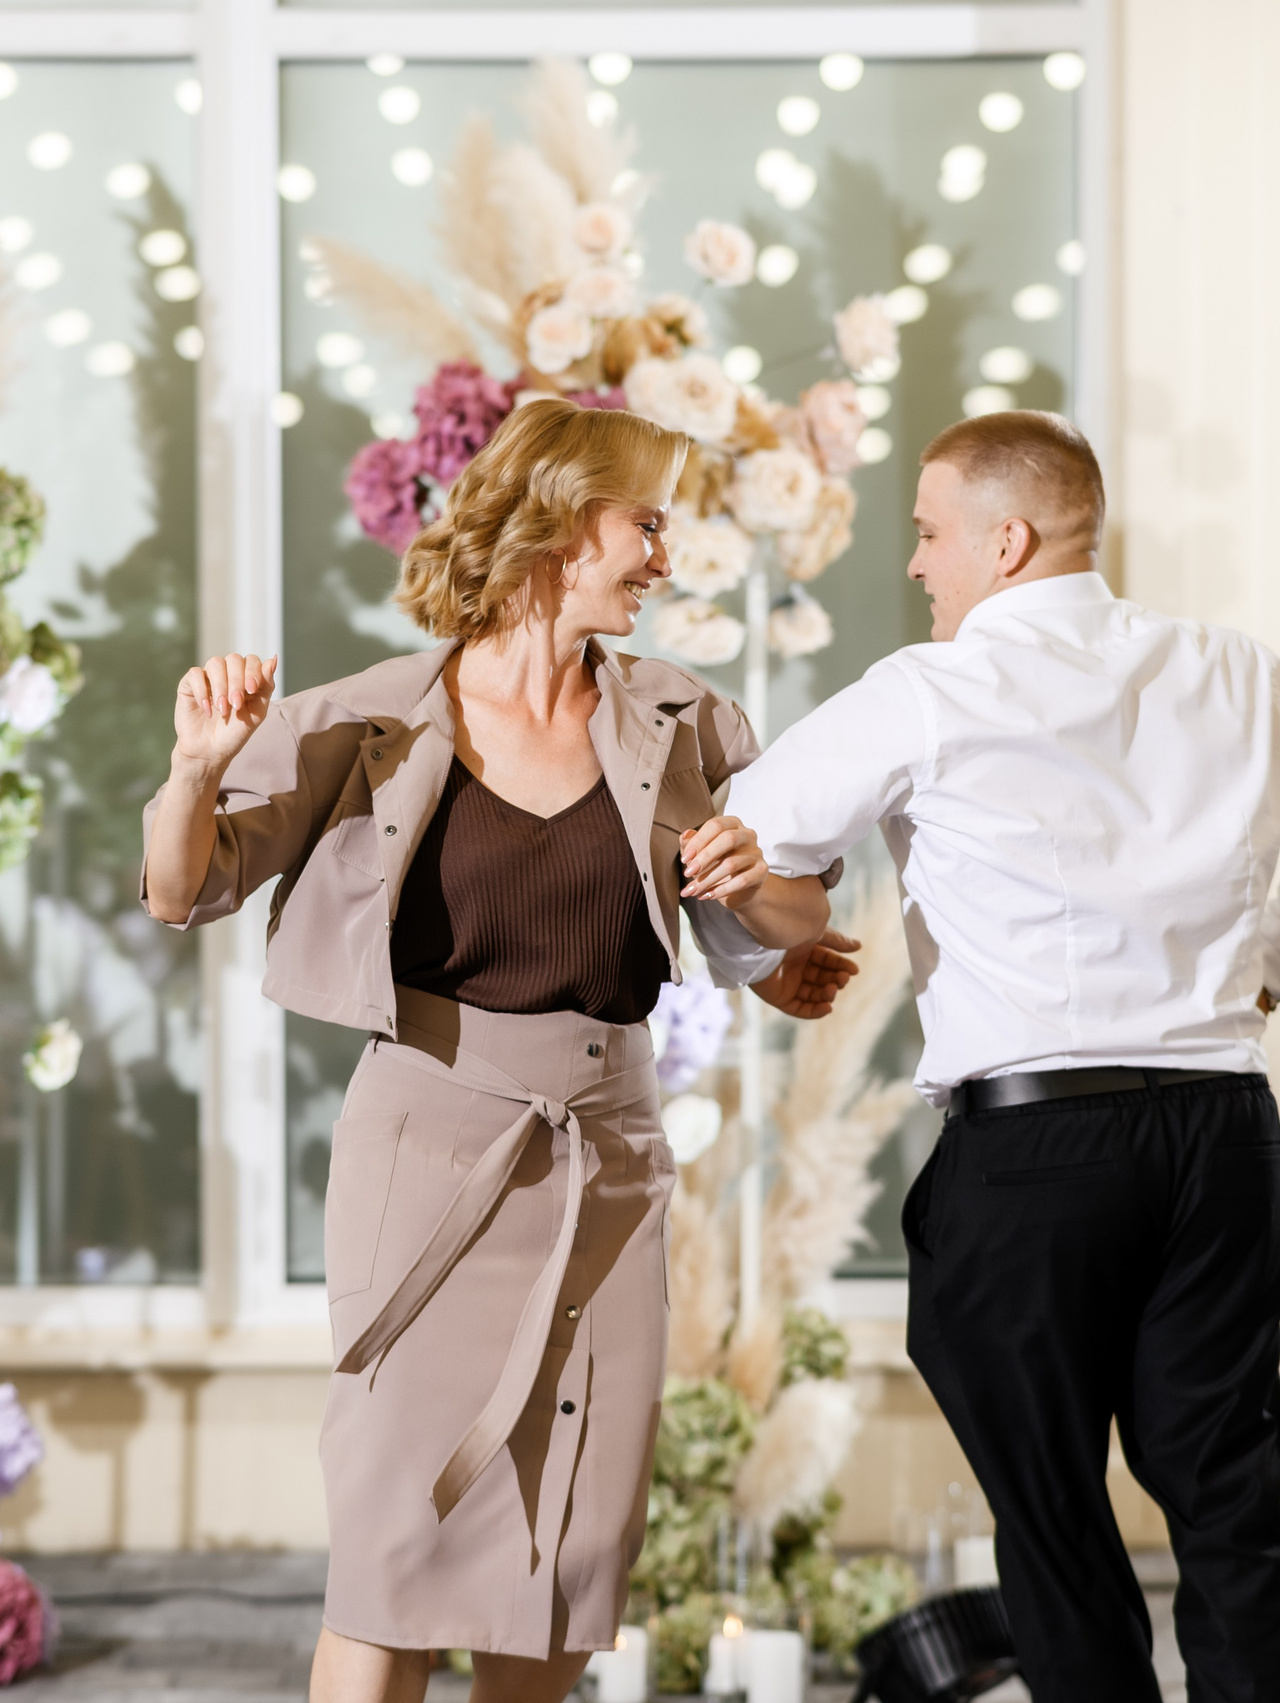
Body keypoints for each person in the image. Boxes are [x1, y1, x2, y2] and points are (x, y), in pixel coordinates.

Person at [140, 398, 844, 1703]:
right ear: (567, 526)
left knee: (563, 1553)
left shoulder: (689, 721)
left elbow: (804, 914)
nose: (664, 557)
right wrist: (193, 772)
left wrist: (756, 887)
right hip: (424, 1154)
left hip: (609, 1165)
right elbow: (186, 889)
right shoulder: (371, 721)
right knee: (393, 1542)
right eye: (648, 526)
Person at [725, 411, 1280, 1702]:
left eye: (931, 534)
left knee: (1049, 1509)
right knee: (1228, 1493)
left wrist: (767, 960)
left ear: (1008, 538)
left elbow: (744, 842)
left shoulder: (931, 691)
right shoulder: (1231, 667)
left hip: (1035, 1147)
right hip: (1219, 1134)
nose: (918, 565)